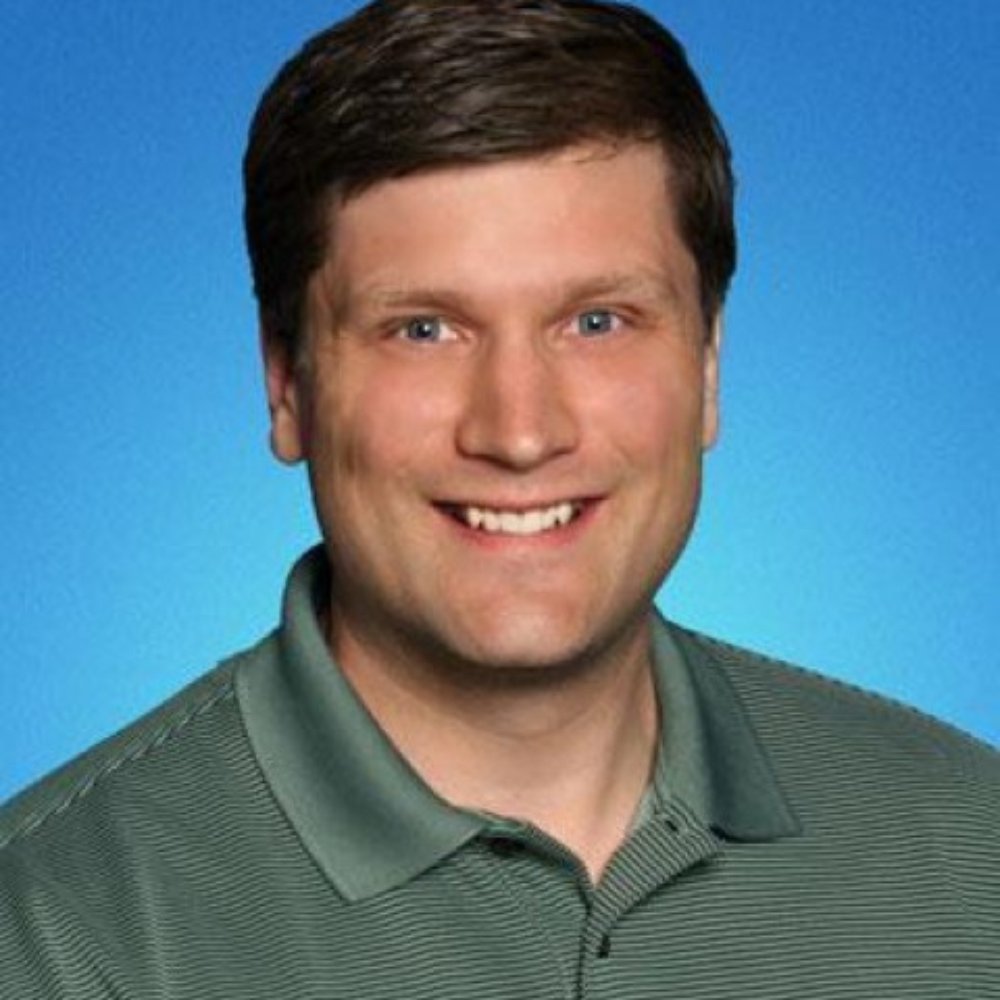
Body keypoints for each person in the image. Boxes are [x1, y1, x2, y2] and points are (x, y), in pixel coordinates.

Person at [1, 1, 996, 996]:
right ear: (286, 383)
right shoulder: (53, 929)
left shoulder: (970, 846)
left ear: (706, 366)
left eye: (597, 321)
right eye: (424, 330)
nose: (519, 433)